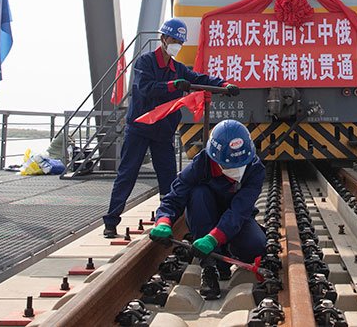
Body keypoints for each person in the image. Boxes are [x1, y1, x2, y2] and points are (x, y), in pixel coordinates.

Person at [103, 18, 240, 238]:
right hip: (140, 129)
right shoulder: (145, 62)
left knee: (168, 179)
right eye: (174, 40)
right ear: (163, 39)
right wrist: (171, 85)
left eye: (180, 42)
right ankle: (111, 221)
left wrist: (223, 84)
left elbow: (198, 78)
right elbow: (145, 88)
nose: (177, 45)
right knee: (127, 174)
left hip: (163, 131)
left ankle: (168, 221)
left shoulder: (178, 68)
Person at [148, 119, 266, 300]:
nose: (234, 168)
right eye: (228, 165)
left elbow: (238, 211)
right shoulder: (201, 164)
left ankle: (224, 254)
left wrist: (213, 238)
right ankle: (209, 267)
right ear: (216, 158)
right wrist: (163, 221)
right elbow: (176, 196)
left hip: (234, 220)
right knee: (198, 193)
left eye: (239, 163)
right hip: (205, 215)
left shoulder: (255, 170)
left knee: (254, 246)